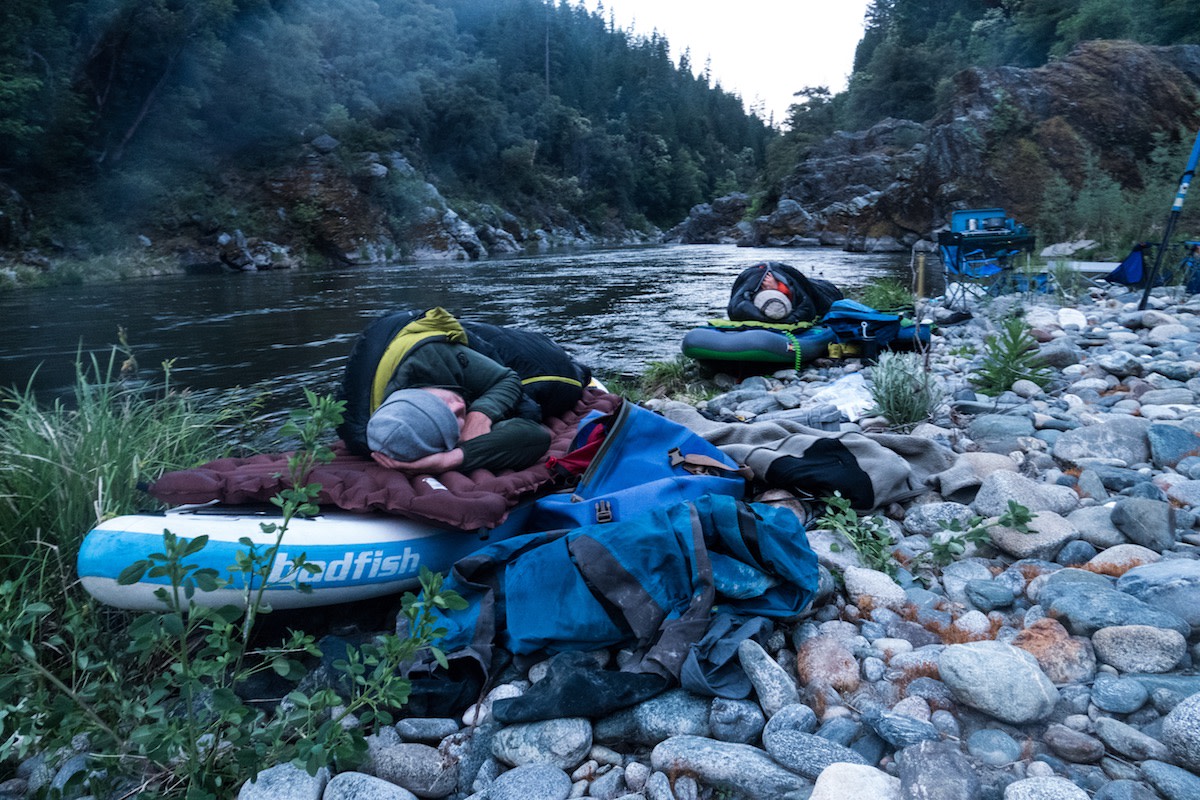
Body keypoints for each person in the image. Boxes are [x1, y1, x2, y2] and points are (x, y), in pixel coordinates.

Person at [338, 307, 587, 475]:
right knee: (544, 398)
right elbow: (536, 436)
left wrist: (481, 413)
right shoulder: (365, 438)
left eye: (438, 405)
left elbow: (507, 379)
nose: (459, 407)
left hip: (468, 346)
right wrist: (451, 460)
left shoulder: (430, 358)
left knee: (566, 376)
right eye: (455, 421)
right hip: (452, 356)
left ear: (412, 392)